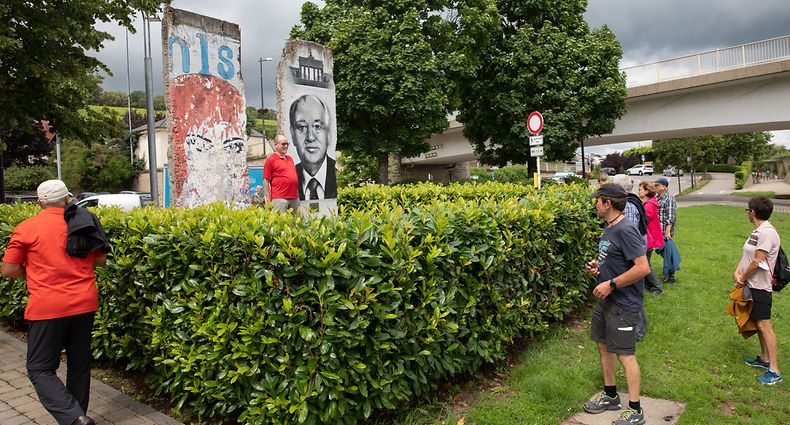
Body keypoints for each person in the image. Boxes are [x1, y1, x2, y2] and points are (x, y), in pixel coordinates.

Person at [1, 180, 108, 425]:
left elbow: (8, 270)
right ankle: (77, 416)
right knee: (79, 362)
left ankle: (74, 418)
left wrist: (32, 272)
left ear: (39, 202)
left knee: (39, 368)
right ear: (68, 199)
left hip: (47, 305)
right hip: (84, 302)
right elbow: (100, 262)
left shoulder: (27, 227)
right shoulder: (84, 222)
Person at [583, 183, 650, 425]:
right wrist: (598, 267)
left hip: (624, 303)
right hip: (607, 301)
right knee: (603, 346)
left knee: (625, 355)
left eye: (597, 200)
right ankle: (611, 396)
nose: (595, 204)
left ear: (607, 203)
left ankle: (635, 409)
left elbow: (643, 268)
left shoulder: (626, 229)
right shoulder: (609, 227)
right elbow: (615, 258)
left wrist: (611, 284)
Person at [736, 196, 782, 385]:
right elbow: (748, 254)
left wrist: (743, 278)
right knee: (758, 323)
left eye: (748, 210)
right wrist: (737, 271)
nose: (748, 213)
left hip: (761, 287)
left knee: (765, 325)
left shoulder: (767, 233)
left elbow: (758, 261)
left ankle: (775, 370)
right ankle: (764, 358)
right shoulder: (758, 230)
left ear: (753, 212)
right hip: (751, 285)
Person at [289, 94, 337, 200]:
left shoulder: (337, 173)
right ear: (292, 134)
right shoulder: (290, 175)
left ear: (328, 133)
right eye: (302, 127)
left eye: (317, 126)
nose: (310, 137)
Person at [263, 134, 300, 215]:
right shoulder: (270, 160)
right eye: (283, 144)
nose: (286, 146)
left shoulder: (290, 159)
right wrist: (268, 200)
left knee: (297, 223)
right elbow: (266, 181)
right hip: (279, 197)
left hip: (294, 197)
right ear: (276, 145)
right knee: (280, 223)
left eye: (287, 144)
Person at [639, 181, 665, 294]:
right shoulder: (648, 204)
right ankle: (649, 286)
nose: (638, 191)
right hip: (649, 239)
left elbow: (644, 219)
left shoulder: (649, 205)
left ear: (646, 191)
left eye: (640, 189)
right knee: (645, 263)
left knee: (646, 264)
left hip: (648, 239)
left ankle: (657, 287)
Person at [654, 177, 679, 283]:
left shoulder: (669, 199)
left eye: (657, 185)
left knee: (667, 253)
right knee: (662, 252)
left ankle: (671, 275)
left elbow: (671, 217)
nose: (655, 187)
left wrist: (667, 232)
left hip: (665, 232)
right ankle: (669, 272)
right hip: (657, 231)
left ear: (664, 187)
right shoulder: (658, 197)